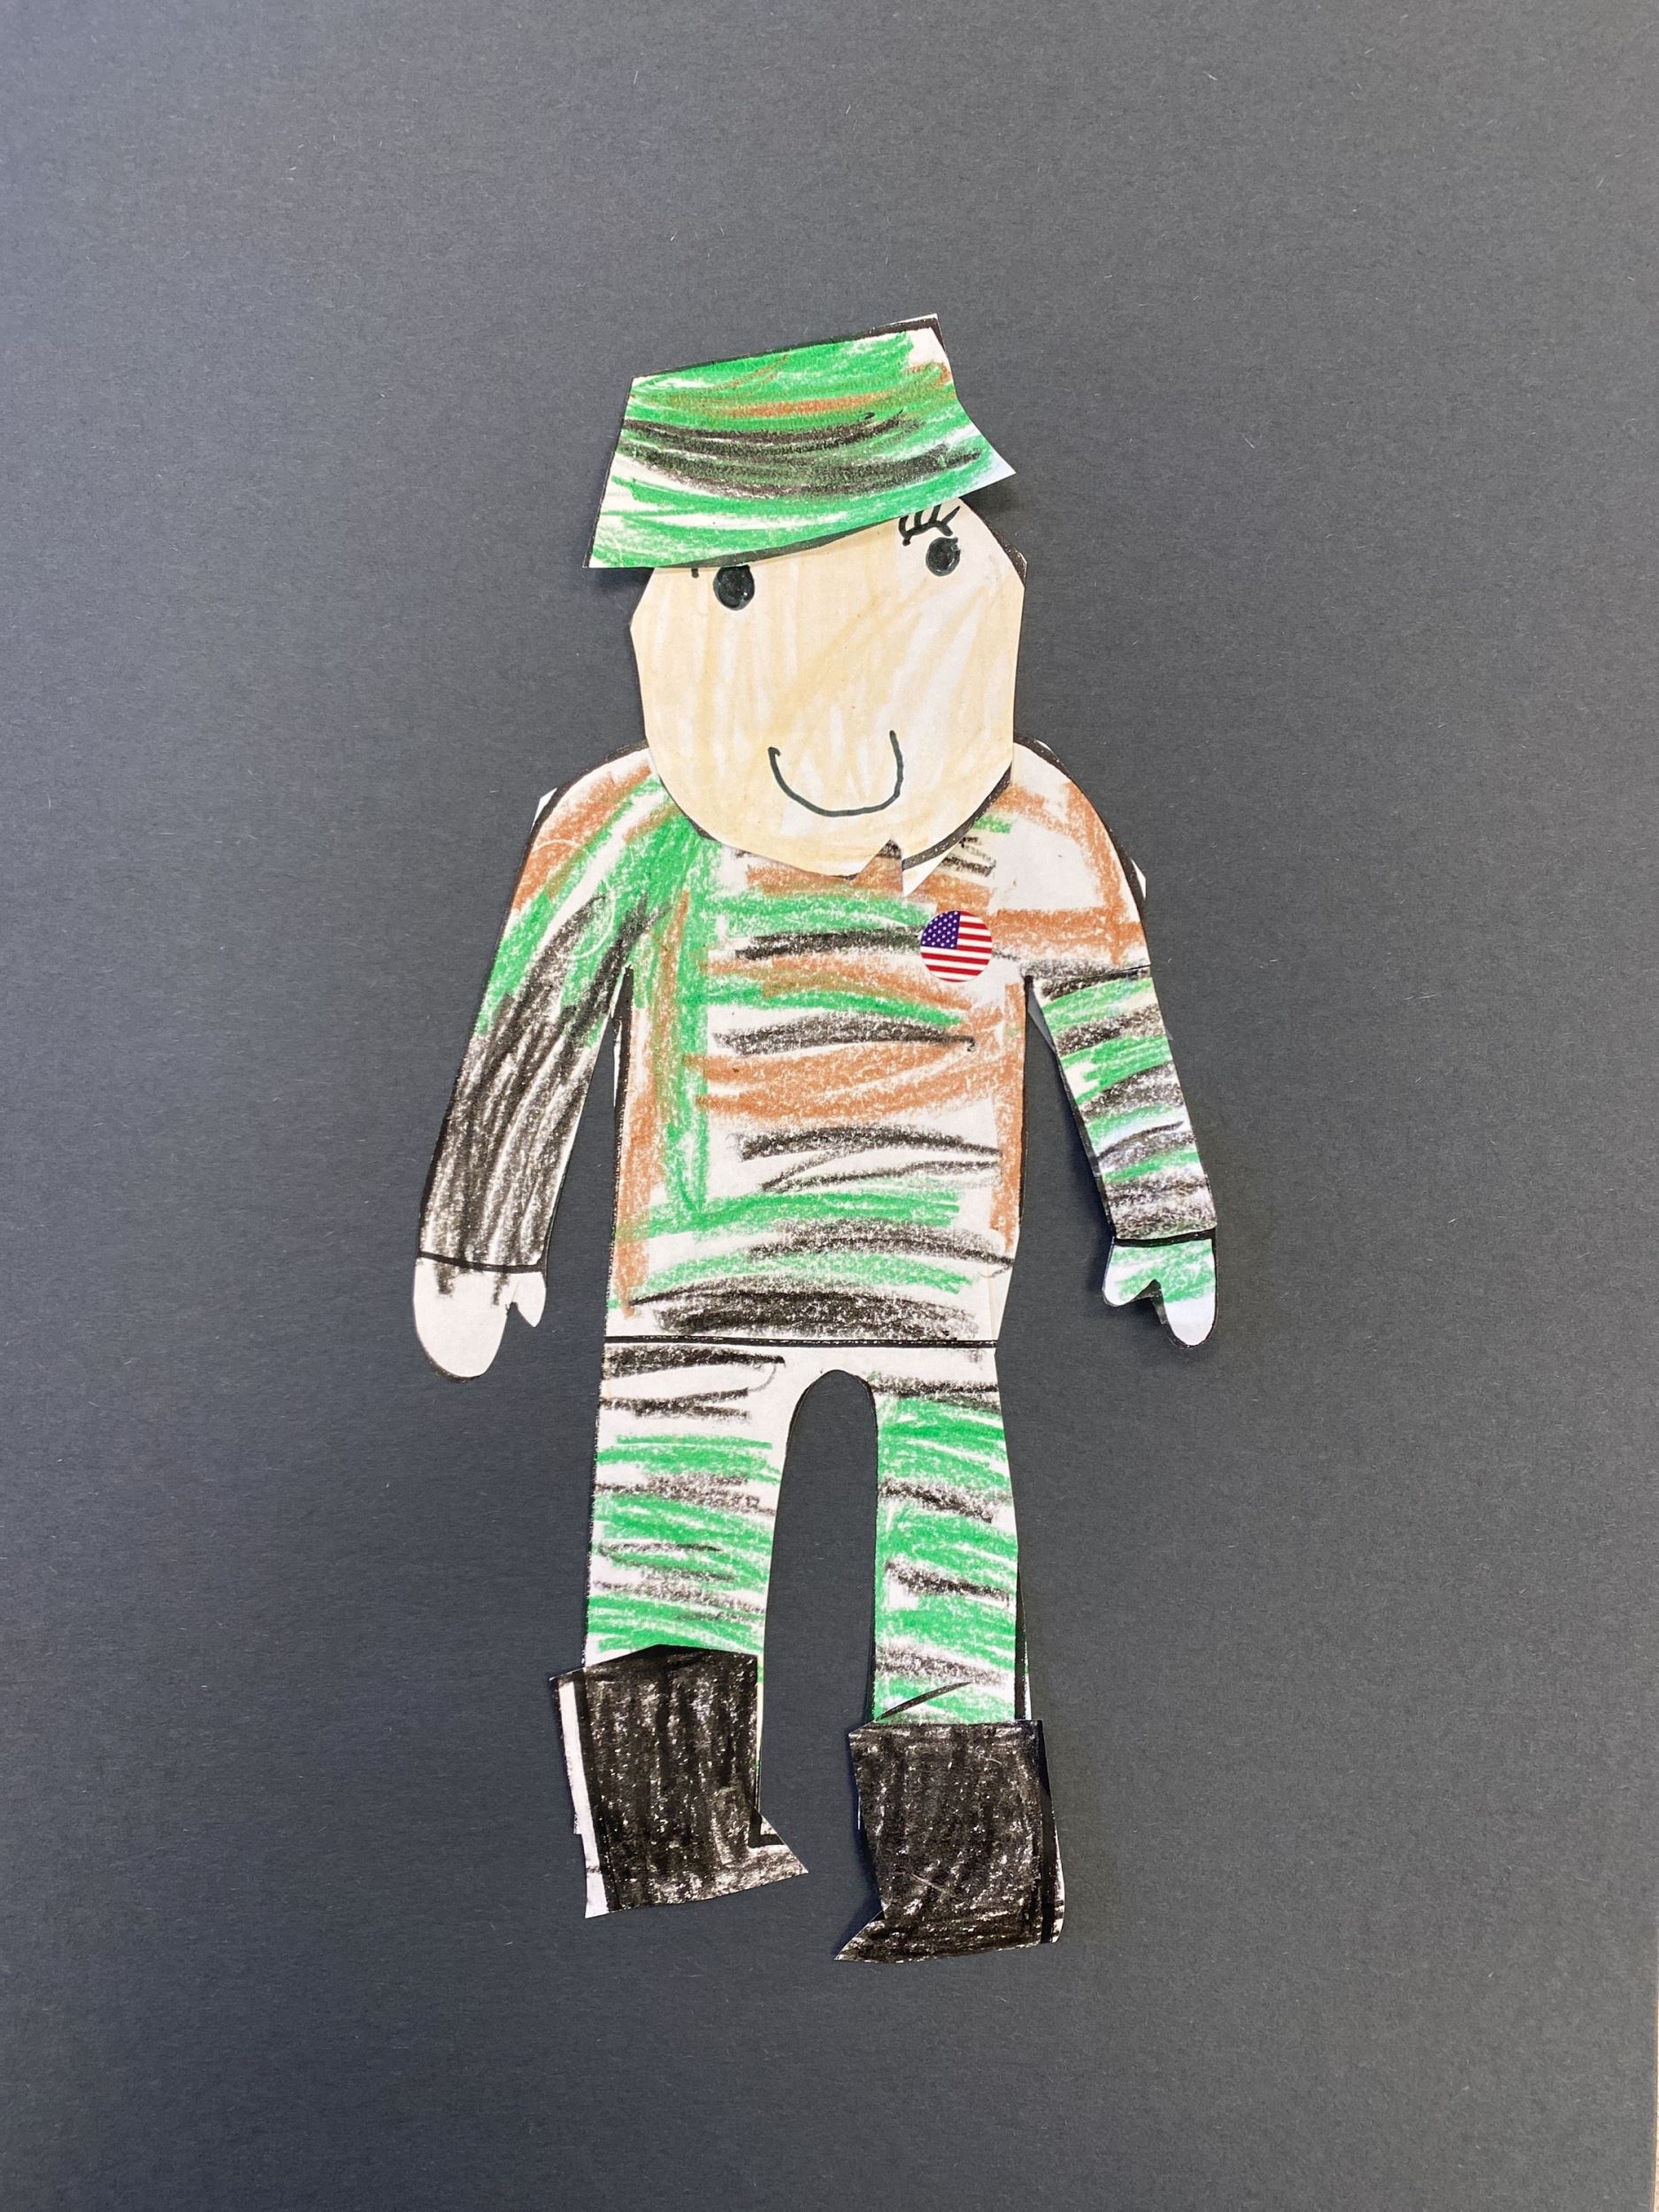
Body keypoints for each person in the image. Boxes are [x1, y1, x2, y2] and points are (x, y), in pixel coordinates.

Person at [414, 319, 1217, 1961]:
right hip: (692, 1289)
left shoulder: (1019, 829)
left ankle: (962, 1880)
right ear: (673, 609)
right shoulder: (634, 829)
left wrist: (1160, 1204)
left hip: (936, 1292)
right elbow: (539, 1013)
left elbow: (1094, 990)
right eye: (743, 587)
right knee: (673, 1550)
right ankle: (673, 1838)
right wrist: (481, 1230)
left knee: (948, 1574)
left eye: (928, 555)